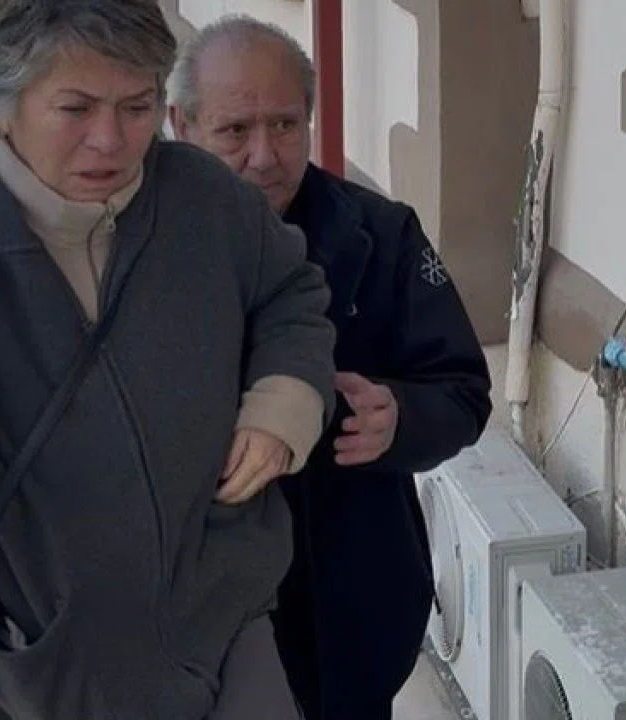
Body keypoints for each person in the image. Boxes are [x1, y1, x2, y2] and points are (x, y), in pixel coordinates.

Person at [0, 1, 339, 718]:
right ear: (3, 101)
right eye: (75, 108)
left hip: (230, 629)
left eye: (137, 107)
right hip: (47, 681)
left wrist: (284, 401)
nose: (111, 141)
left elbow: (290, 291)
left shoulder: (203, 196)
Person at [170, 16, 493, 720]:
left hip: (348, 617)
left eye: (285, 125)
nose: (264, 155)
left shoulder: (381, 234)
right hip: (193, 624)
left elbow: (464, 392)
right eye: (235, 130)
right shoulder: (138, 244)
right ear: (182, 125)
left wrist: (400, 417)